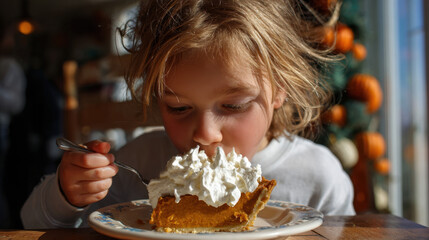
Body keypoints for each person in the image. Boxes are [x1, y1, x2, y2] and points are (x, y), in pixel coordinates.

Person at [21, 0, 355, 229]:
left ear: (280, 88)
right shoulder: (141, 161)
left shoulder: (317, 177)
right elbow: (32, 224)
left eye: (233, 105)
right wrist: (67, 194)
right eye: (178, 107)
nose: (205, 134)